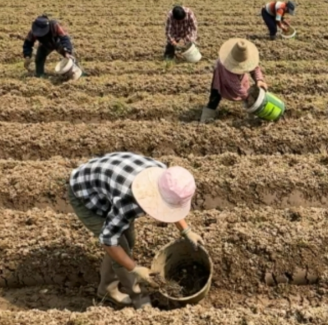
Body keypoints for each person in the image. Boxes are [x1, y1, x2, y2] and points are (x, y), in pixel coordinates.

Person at [67, 152, 205, 308]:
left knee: (128, 241)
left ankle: (106, 286)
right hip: (85, 194)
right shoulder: (129, 200)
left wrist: (186, 231)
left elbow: (171, 203)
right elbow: (108, 240)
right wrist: (134, 268)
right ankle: (138, 298)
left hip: (108, 184)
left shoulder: (163, 175)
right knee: (122, 248)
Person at [200, 38, 269, 123]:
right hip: (222, 77)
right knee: (215, 96)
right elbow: (236, 86)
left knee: (247, 92)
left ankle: (253, 114)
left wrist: (259, 80)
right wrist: (247, 97)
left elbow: (255, 68)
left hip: (240, 76)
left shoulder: (246, 55)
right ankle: (205, 119)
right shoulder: (225, 64)